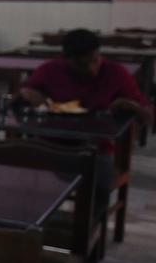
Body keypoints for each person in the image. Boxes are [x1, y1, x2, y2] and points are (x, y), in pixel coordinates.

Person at [20, 28, 153, 207]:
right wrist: (28, 94)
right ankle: (38, 224)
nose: (91, 69)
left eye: (94, 61)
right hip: (51, 145)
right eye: (81, 65)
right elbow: (23, 98)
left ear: (99, 55)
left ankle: (89, 230)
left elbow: (149, 117)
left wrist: (133, 107)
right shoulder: (50, 70)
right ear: (65, 60)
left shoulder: (116, 73)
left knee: (98, 187)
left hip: (97, 148)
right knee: (21, 175)